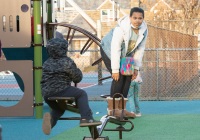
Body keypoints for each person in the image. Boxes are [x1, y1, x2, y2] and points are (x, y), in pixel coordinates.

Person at [41, 37, 101, 135]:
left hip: (46, 94)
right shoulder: (66, 61)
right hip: (61, 90)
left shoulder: (47, 62)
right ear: (64, 49)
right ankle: (86, 118)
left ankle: (50, 122)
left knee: (58, 109)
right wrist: (77, 71)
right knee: (81, 94)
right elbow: (77, 78)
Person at [100, 7, 148, 118]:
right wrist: (115, 70)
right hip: (109, 50)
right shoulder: (121, 28)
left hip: (126, 55)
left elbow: (140, 49)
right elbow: (115, 48)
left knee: (128, 76)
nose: (137, 20)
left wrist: (136, 68)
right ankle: (112, 110)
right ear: (130, 17)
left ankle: (122, 109)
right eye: (134, 18)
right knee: (119, 77)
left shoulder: (144, 30)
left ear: (143, 19)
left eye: (140, 18)